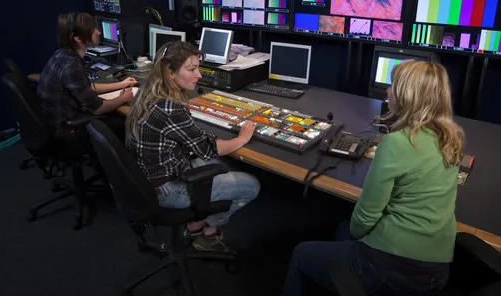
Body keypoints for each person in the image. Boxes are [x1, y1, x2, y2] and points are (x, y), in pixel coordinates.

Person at [281, 60, 465, 296]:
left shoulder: (397, 142)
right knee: (341, 230)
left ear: (406, 95)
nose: (387, 91)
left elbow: (365, 217)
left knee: (302, 254)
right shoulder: (450, 138)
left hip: (392, 268)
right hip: (436, 271)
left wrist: (360, 235)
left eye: (392, 86)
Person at [125, 41, 260, 253]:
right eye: (192, 69)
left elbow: (189, 138)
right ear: (170, 72)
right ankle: (207, 233)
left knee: (220, 165)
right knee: (251, 185)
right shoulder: (170, 107)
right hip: (167, 190)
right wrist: (241, 139)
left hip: (146, 180)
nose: (199, 75)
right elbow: (207, 149)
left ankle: (196, 223)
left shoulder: (146, 91)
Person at [37, 12, 136, 142]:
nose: (98, 32)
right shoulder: (70, 66)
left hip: (59, 121)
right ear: (78, 38)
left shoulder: (63, 55)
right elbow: (98, 109)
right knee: (126, 124)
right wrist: (123, 98)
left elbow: (86, 87)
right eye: (93, 30)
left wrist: (121, 84)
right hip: (69, 130)